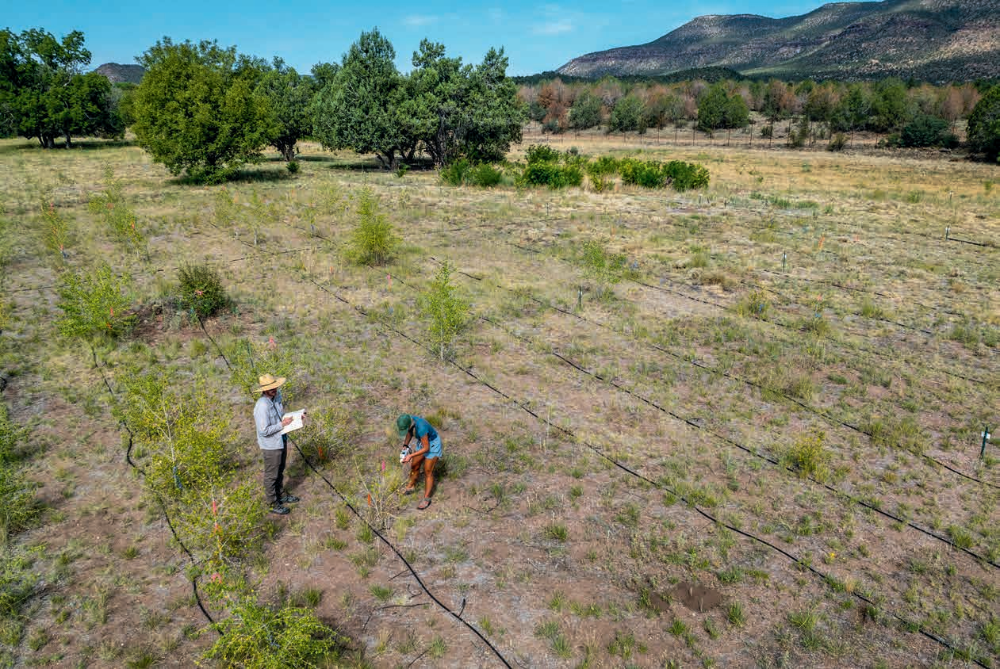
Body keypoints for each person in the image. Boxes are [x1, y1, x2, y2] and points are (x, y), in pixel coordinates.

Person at [254, 374, 300, 515]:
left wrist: (297, 417)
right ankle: (273, 503)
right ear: (264, 390)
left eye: (274, 386)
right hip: (271, 445)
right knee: (271, 475)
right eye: (270, 388)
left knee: (280, 470)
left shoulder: (277, 396)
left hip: (281, 439)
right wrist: (282, 424)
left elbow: (282, 415)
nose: (274, 389)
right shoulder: (262, 406)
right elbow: (264, 431)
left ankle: (280, 496)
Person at [397, 413, 442, 510]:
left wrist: (410, 455)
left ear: (409, 424)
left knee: (428, 471)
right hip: (423, 442)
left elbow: (426, 448)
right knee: (415, 465)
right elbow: (409, 432)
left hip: (432, 444)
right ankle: (411, 486)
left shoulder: (421, 427)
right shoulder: (409, 420)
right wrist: (405, 445)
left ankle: (426, 498)